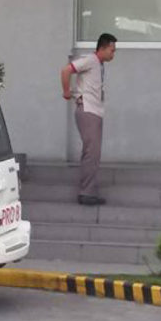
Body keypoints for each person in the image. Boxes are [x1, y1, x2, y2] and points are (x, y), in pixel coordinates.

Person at [60, 33, 117, 206]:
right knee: (91, 153)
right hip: (88, 110)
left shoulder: (99, 65)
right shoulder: (90, 60)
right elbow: (66, 70)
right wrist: (66, 91)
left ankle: (89, 190)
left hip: (95, 111)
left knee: (94, 153)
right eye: (112, 50)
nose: (113, 54)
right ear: (103, 47)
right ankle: (86, 192)